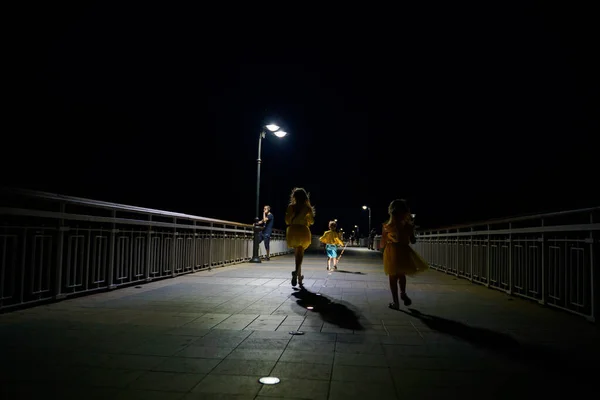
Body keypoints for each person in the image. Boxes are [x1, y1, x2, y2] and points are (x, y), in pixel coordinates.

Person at [380, 199, 428, 310]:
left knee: (392, 277)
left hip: (391, 251)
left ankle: (395, 302)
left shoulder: (387, 226)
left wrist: (383, 249)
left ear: (391, 211)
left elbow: (382, 243)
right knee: (402, 274)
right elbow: (413, 241)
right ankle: (403, 293)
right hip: (404, 251)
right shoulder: (408, 226)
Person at [285, 187, 315, 288]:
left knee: (296, 255)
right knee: (300, 254)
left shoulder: (291, 206)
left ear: (294, 197)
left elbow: (287, 221)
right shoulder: (307, 208)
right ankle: (296, 273)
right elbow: (312, 221)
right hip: (303, 230)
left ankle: (299, 278)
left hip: (293, 231)